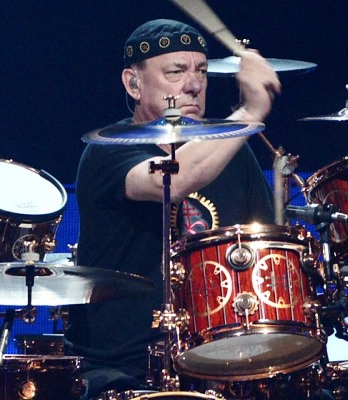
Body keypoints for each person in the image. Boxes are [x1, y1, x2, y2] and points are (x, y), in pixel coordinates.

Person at [64, 18, 281, 398]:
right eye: (176, 72)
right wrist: (249, 114)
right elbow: (172, 181)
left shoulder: (235, 152)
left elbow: (265, 252)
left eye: (201, 71)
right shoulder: (107, 149)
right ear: (133, 84)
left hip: (221, 358)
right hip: (124, 367)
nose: (194, 84)